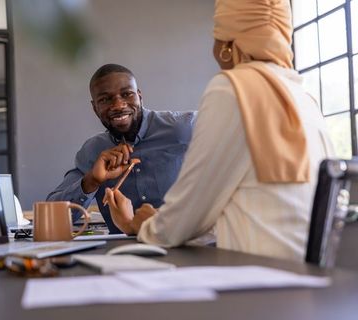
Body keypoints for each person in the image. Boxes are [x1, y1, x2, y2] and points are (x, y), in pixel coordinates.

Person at [105, 0, 335, 261]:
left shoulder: (233, 88)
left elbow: (191, 207)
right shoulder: (303, 97)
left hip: (257, 277)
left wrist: (139, 224)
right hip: (305, 274)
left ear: (227, 46)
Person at [47, 64, 197, 234]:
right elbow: (51, 218)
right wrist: (91, 181)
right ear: (95, 108)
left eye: (127, 94)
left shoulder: (185, 128)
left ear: (140, 96)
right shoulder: (93, 151)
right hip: (120, 257)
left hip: (185, 248)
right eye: (105, 99)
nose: (118, 105)